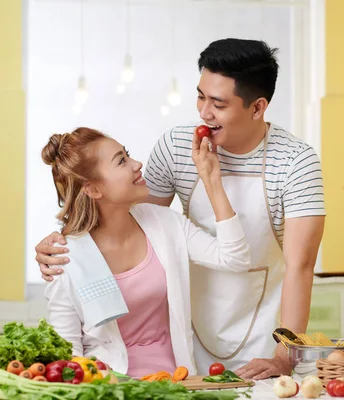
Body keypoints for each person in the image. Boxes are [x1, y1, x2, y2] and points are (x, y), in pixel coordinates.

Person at [35, 38, 326, 379]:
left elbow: (300, 268)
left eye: (218, 103)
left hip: (263, 335)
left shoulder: (296, 163)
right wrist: (67, 243)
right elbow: (128, 221)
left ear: (257, 107)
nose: (204, 112)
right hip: (183, 343)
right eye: (200, 96)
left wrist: (283, 356)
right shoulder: (175, 147)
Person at [41, 127, 251, 377]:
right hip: (110, 388)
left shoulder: (166, 223)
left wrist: (211, 181)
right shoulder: (65, 258)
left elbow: (235, 258)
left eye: (127, 154)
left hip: (177, 383)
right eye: (121, 161)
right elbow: (67, 355)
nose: (137, 164)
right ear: (93, 189)